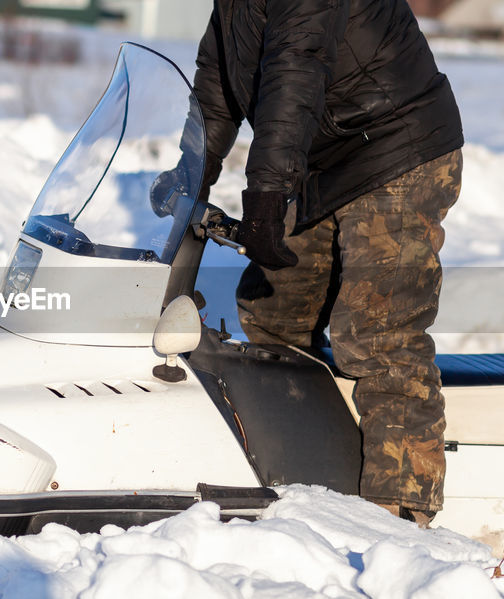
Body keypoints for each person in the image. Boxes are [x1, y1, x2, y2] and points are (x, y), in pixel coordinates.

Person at [185, 0, 464, 527]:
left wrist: (266, 198)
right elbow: (218, 77)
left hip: (396, 145)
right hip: (324, 155)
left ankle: (399, 519)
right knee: (275, 315)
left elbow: (296, 67)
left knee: (376, 330)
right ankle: (301, 481)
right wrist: (193, 169)